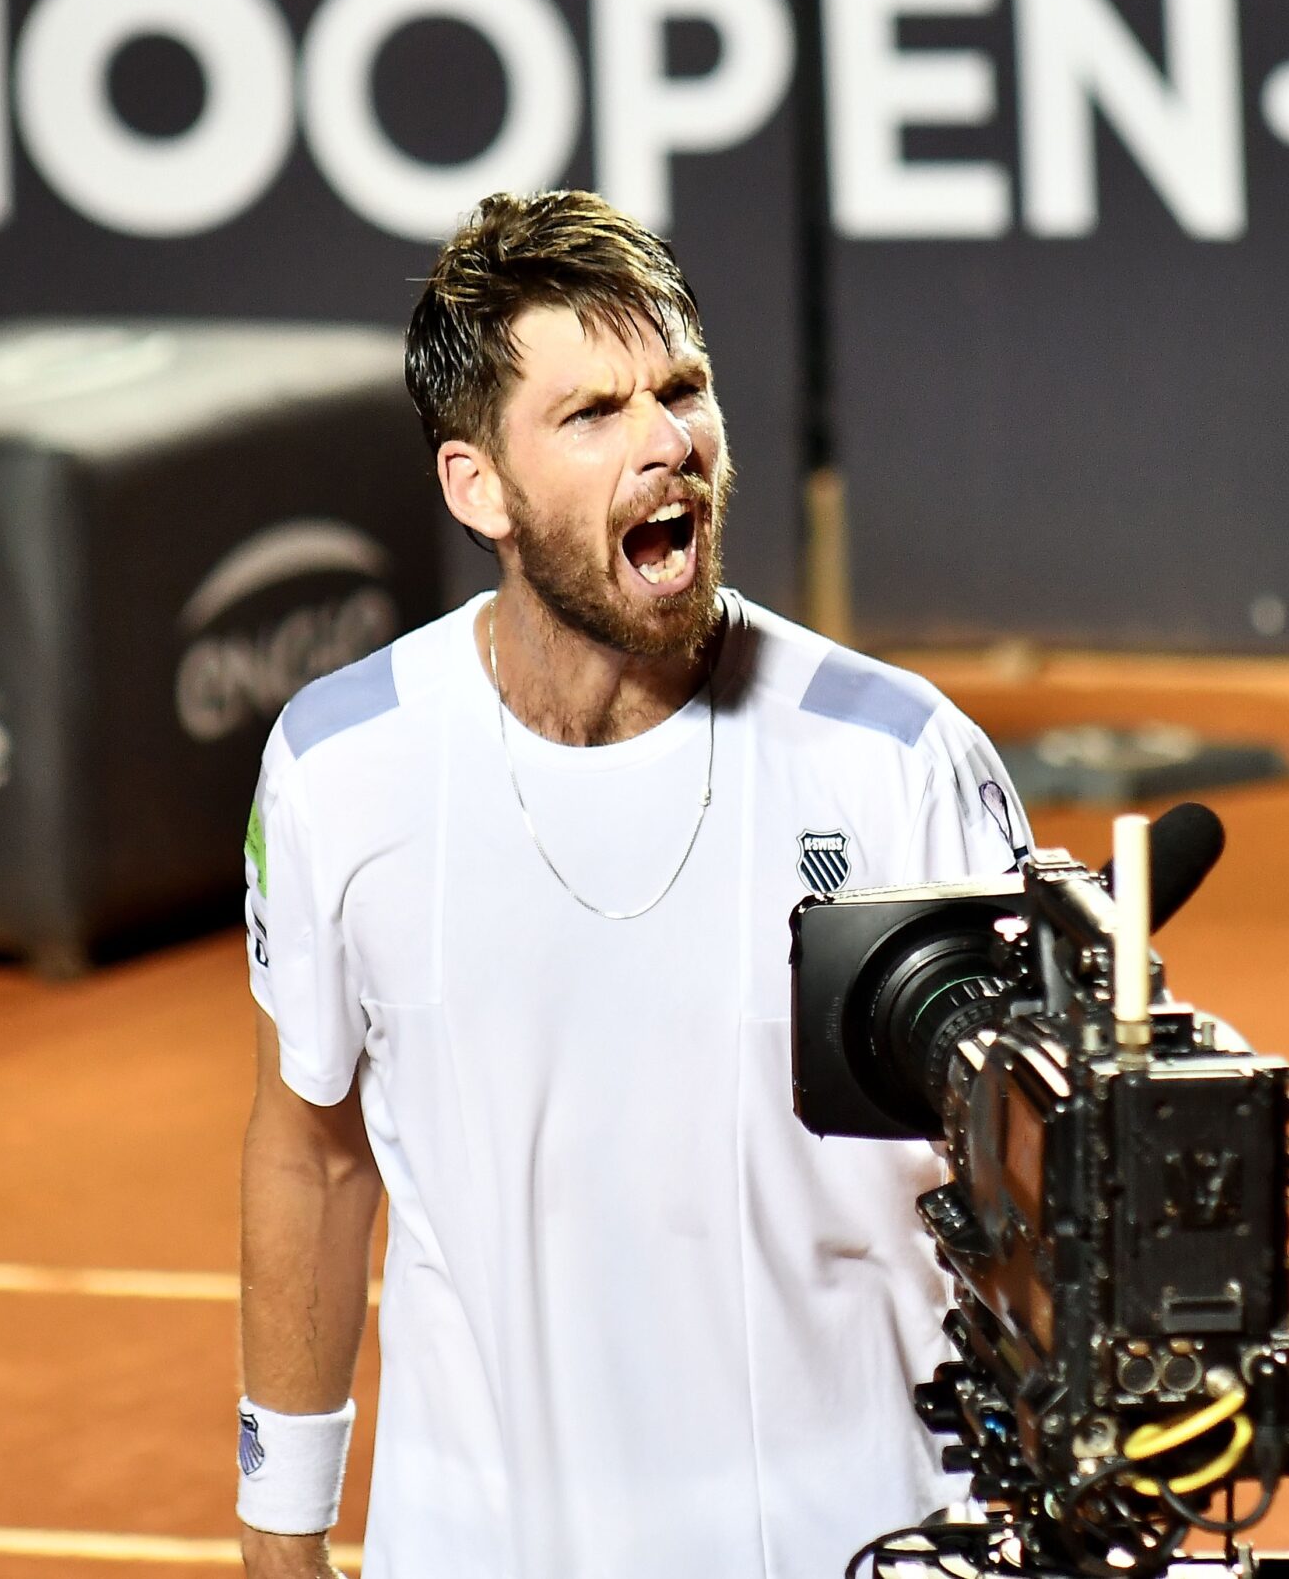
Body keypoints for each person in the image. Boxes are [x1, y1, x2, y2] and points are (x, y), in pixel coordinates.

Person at [233, 190, 1027, 1579]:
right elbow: (314, 1148)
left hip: (857, 1542)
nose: (669, 444)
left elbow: (1022, 1178)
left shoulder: (896, 758)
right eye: (594, 413)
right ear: (479, 485)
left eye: (684, 389)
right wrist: (280, 1520)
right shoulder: (339, 766)